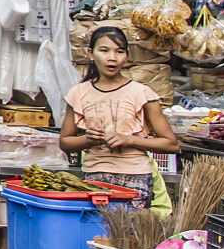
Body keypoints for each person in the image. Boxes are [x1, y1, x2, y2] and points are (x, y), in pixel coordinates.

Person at [60, 25, 180, 196]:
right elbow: (65, 143)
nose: (112, 58)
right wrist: (88, 139)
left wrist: (128, 140)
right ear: (91, 54)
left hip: (136, 177)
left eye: (119, 52)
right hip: (94, 178)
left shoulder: (142, 93)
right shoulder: (78, 93)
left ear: (126, 56)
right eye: (104, 51)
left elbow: (171, 144)